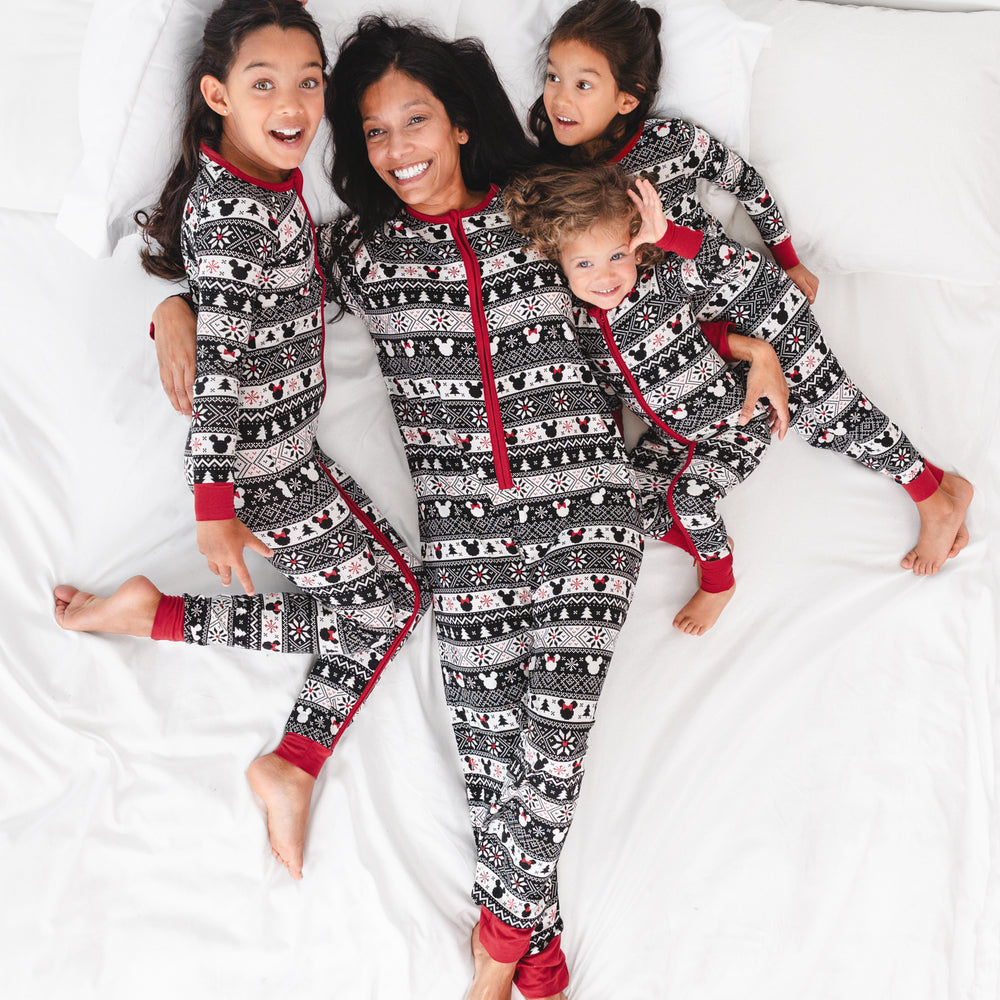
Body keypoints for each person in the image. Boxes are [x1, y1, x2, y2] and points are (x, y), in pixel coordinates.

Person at [148, 15, 655, 1000]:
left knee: (551, 748)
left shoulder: (544, 207)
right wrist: (171, 310)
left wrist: (760, 335)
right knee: (493, 771)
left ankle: (493, 966)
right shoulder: (359, 253)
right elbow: (251, 292)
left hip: (584, 515)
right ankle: (530, 938)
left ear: (460, 121)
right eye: (374, 134)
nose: (397, 150)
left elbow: (653, 275)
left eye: (414, 121)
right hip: (465, 547)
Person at [52, 0, 427, 881]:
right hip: (261, 461)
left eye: (308, 81)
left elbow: (265, 291)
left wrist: (173, 306)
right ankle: (290, 760)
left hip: (285, 447)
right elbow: (221, 374)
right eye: (265, 85)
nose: (293, 102)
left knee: (378, 602)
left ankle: (153, 615)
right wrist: (215, 509)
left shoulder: (263, 184)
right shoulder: (233, 223)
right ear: (218, 94)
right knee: (392, 605)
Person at [528, 0, 973, 599]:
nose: (561, 96)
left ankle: (931, 495)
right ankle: (943, 486)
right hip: (691, 333)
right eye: (553, 75)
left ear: (626, 98)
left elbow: (744, 185)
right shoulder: (555, 178)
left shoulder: (669, 142)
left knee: (824, 406)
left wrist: (786, 254)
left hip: (743, 289)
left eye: (584, 83)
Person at [507, 164, 794, 634]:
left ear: (637, 249)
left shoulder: (660, 287)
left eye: (617, 255)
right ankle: (703, 546)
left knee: (690, 496)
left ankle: (719, 580)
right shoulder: (576, 325)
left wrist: (670, 237)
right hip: (667, 439)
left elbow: (708, 314)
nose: (605, 276)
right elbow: (602, 397)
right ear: (557, 262)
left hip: (733, 423)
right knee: (617, 502)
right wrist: (612, 454)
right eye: (584, 264)